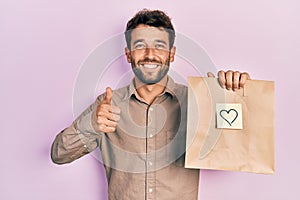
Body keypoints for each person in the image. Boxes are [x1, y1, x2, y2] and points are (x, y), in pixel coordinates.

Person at [51, 9, 250, 200]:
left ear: (171, 54)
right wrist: (91, 125)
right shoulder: (107, 106)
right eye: (139, 45)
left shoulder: (198, 101)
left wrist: (234, 92)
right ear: (128, 54)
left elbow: (239, 147)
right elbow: (58, 154)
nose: (149, 54)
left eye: (159, 46)